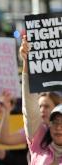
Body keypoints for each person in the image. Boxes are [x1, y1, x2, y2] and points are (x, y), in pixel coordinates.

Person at [20, 35, 62, 164]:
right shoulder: (39, 139)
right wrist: (28, 62)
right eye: (55, 122)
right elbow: (30, 108)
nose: (58, 128)